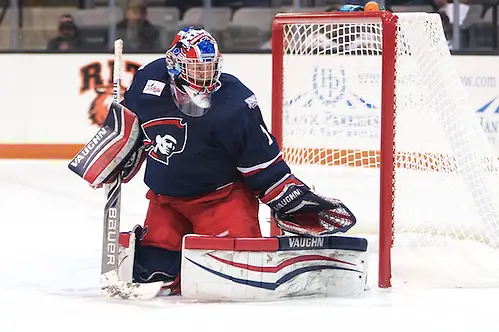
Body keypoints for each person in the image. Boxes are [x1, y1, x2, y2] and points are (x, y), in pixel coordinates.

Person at [71, 27, 356, 294]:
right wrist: (115, 151)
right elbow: (128, 125)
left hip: (222, 200)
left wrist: (291, 199)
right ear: (174, 65)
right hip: (166, 200)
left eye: (209, 67)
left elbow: (262, 161)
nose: (204, 75)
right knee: (153, 273)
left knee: (233, 276)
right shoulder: (148, 80)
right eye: (195, 67)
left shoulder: (235, 103)